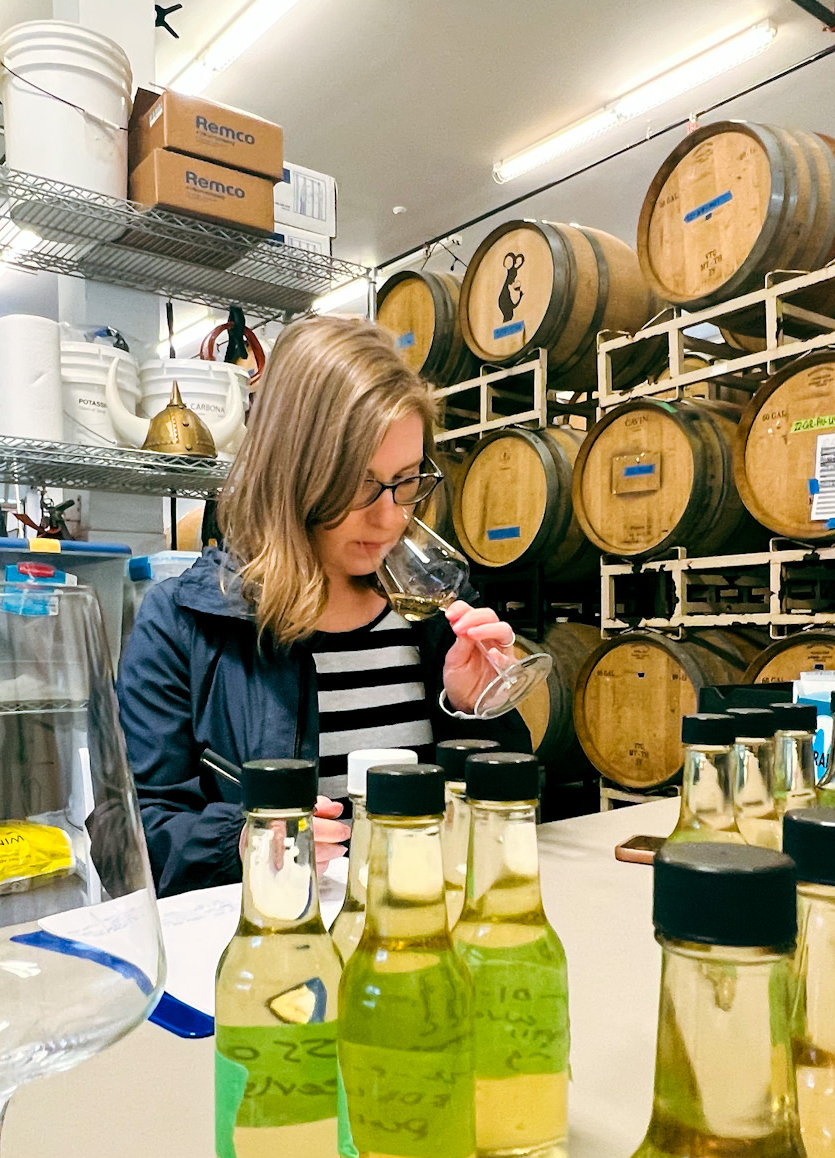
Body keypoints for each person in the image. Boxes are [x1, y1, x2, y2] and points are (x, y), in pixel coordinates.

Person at [118, 315, 528, 898]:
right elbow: (132, 835)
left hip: (421, 932)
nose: (389, 517)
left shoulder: (432, 614)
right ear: (293, 474)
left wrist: (475, 708)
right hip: (277, 948)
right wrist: (249, 840)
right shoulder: (182, 627)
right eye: (359, 485)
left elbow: (502, 820)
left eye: (406, 480)